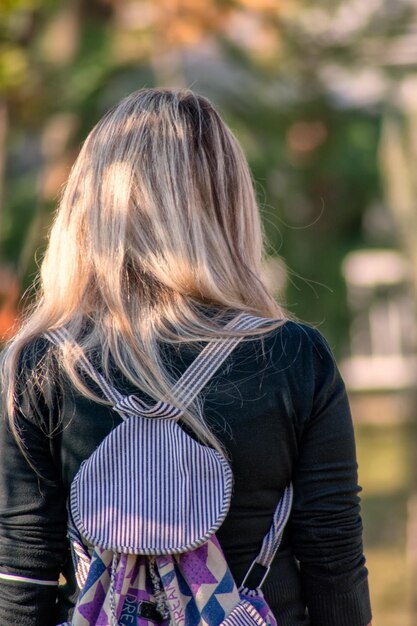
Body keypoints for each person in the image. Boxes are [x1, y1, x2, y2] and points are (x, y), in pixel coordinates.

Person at [0, 88, 372, 626]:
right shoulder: (293, 358)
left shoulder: (39, 366)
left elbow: (21, 573)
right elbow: (333, 560)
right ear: (228, 203)